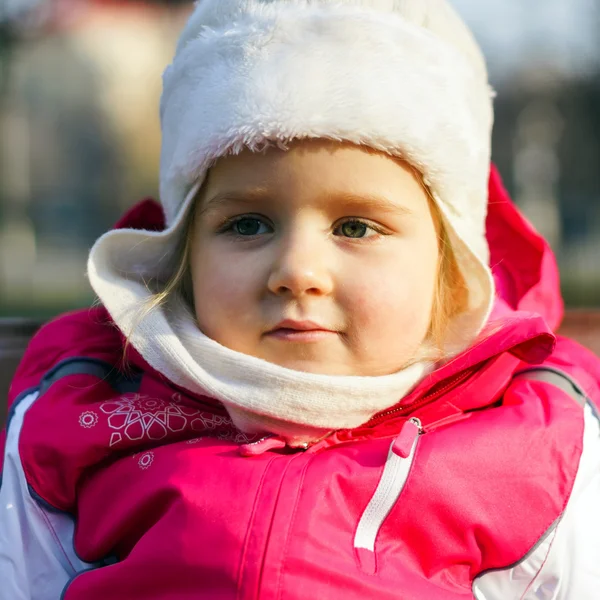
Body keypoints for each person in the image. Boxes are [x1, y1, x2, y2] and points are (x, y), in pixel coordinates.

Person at [1, 1, 600, 598]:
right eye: (247, 225)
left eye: (356, 227)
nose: (297, 272)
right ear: (184, 252)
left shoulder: (534, 440)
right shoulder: (91, 411)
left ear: (449, 264)